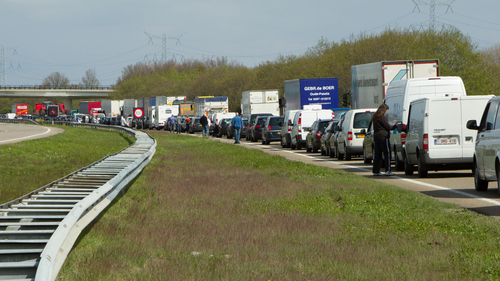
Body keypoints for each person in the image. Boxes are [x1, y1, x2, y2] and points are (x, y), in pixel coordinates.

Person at [372, 103, 398, 176]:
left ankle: (376, 171)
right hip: (383, 136)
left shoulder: (375, 116)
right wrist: (395, 126)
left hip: (377, 137)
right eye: (386, 110)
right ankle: (388, 170)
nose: (386, 112)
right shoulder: (382, 117)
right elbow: (389, 127)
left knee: (378, 154)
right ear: (384, 110)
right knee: (387, 153)